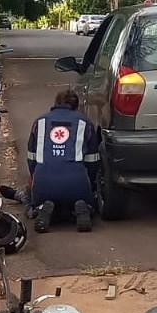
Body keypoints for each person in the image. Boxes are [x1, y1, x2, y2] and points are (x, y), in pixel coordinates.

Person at [26, 89, 100, 233]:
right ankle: (83, 206)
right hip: (77, 182)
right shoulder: (85, 123)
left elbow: (31, 158)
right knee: (90, 202)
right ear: (76, 106)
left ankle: (41, 208)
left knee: (32, 202)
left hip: (44, 181)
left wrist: (35, 178)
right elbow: (93, 162)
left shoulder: (39, 122)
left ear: (56, 103)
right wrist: (90, 184)